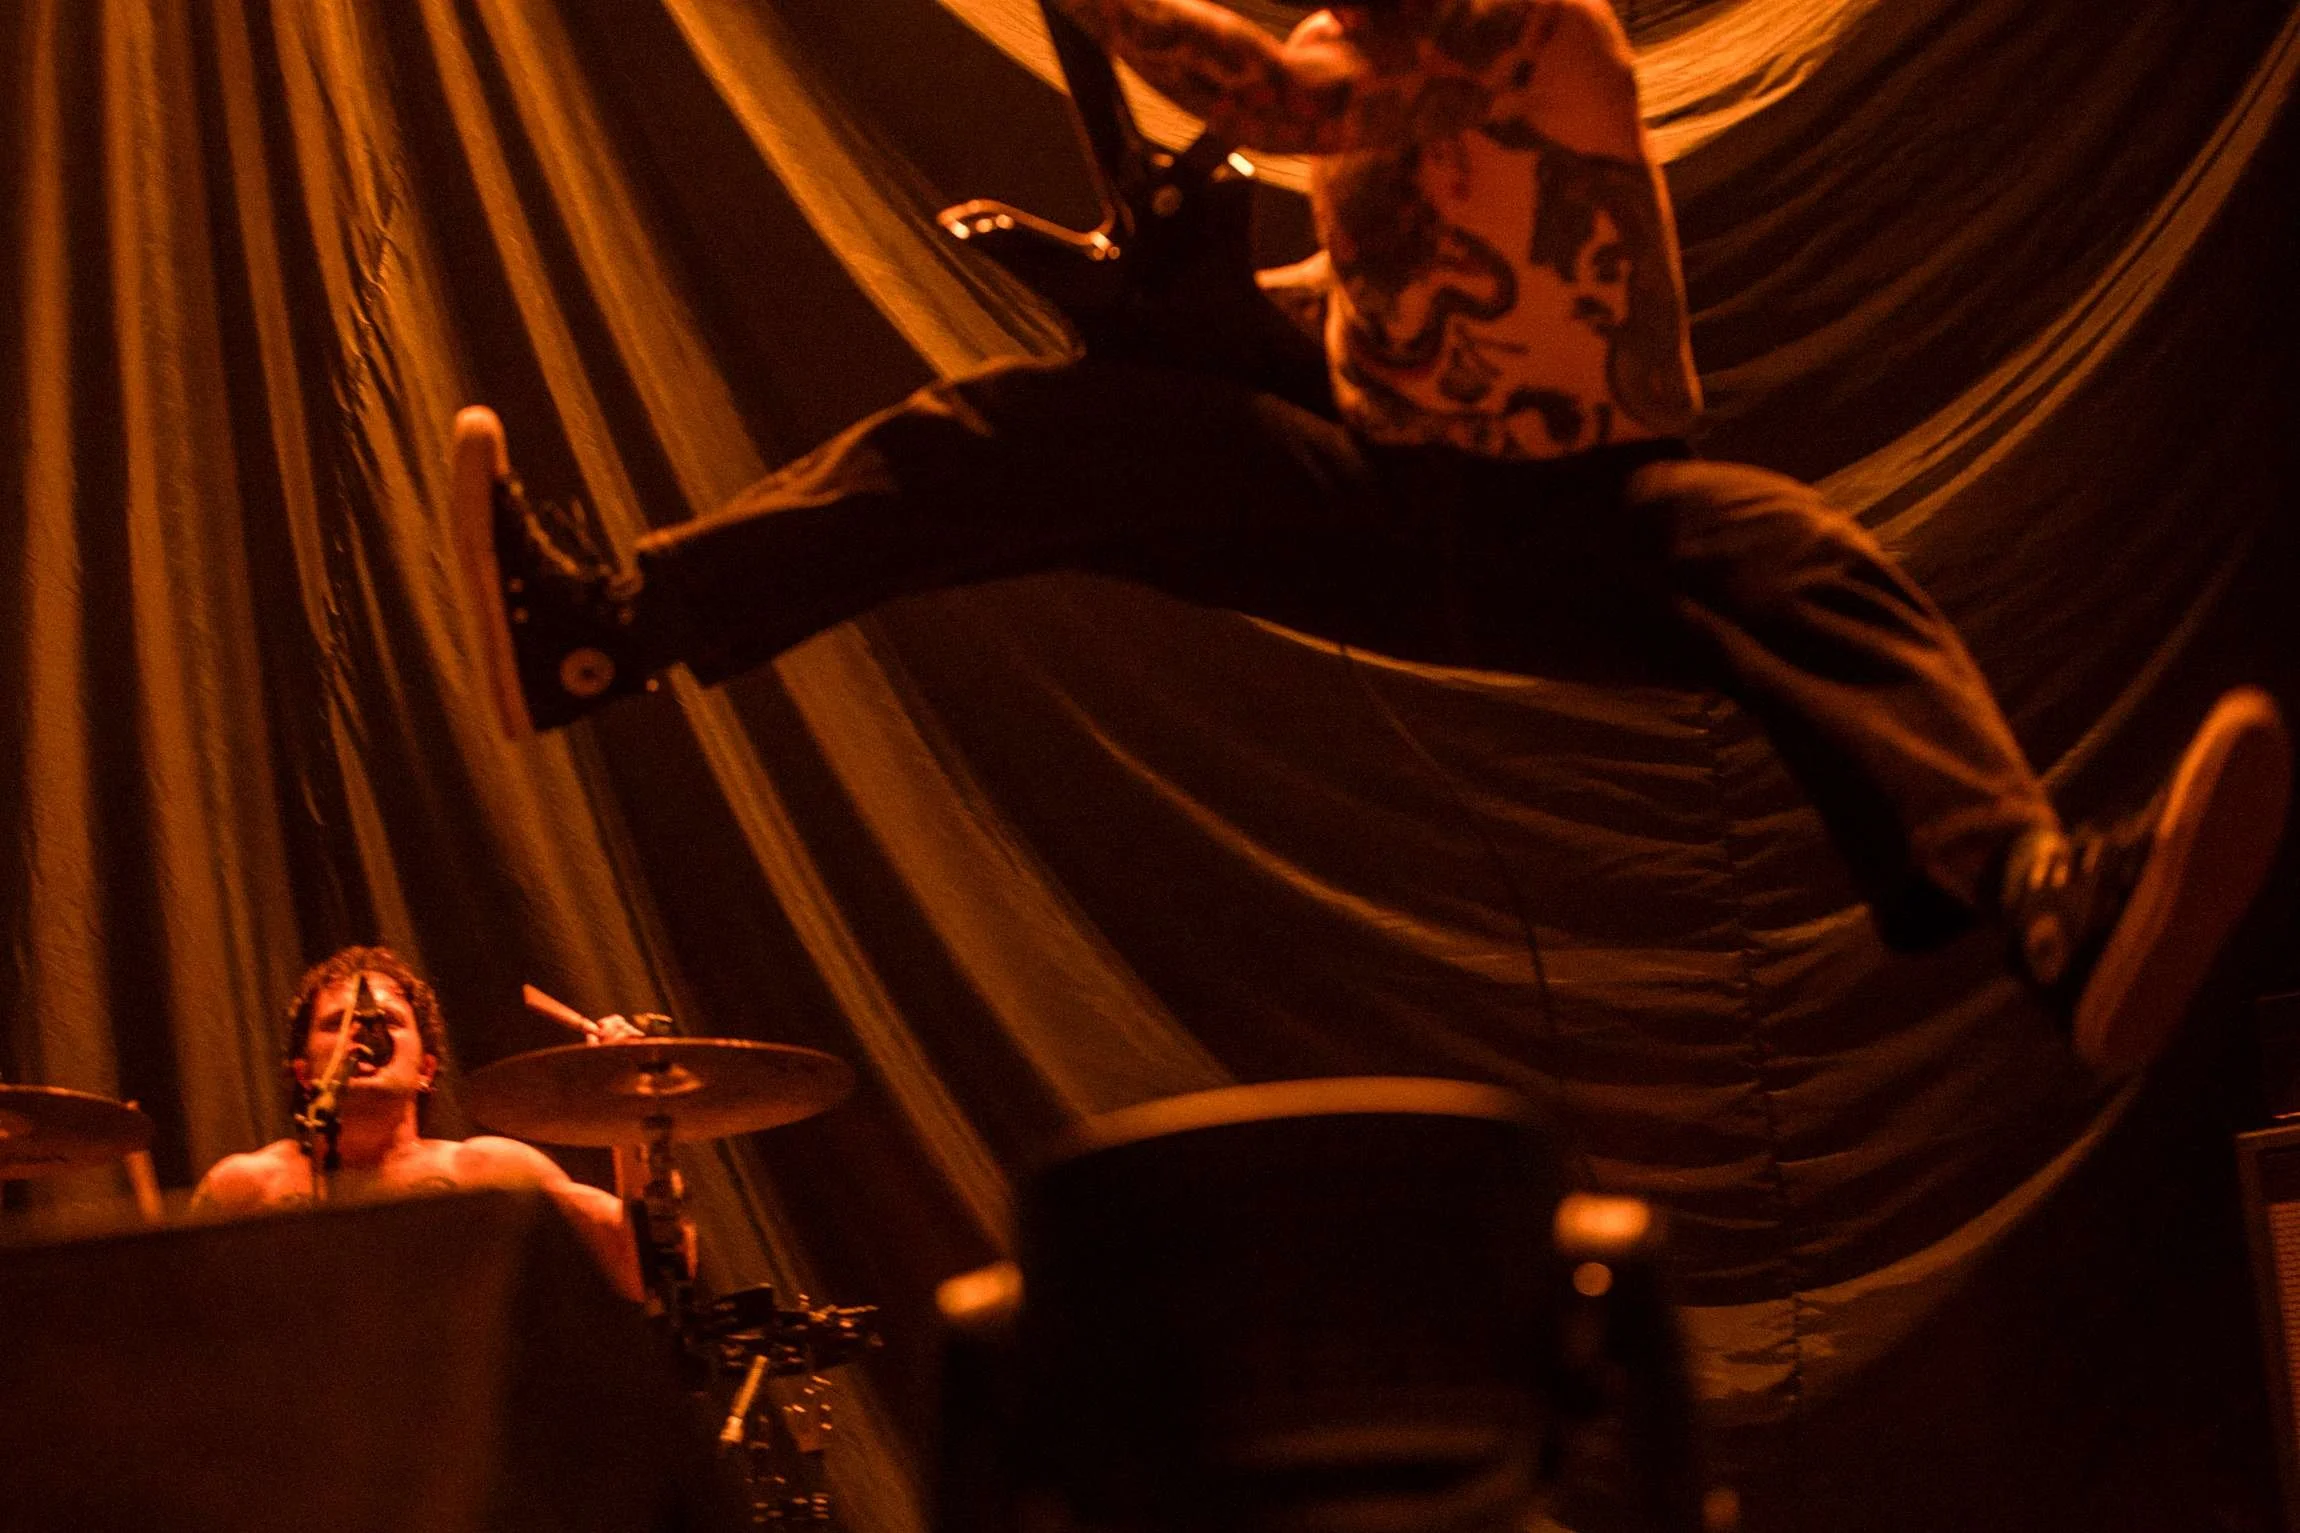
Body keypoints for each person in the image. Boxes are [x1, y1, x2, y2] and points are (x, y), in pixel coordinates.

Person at [450, 0, 2287, 1079]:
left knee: (1794, 560)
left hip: (1582, 518)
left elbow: (1299, 109)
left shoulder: (1535, 36)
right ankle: (603, 630)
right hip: (1383, 507)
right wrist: (1175, 311)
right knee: (1014, 442)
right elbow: (1354, 305)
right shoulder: (1349, 65)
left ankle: (2047, 905)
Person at [191, 945, 645, 1300]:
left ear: (426, 1069)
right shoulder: (246, 1188)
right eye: (336, 1023)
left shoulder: (491, 1175)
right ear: (304, 1074)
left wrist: (633, 1102)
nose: (363, 1031)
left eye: (387, 1020)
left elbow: (639, 1268)